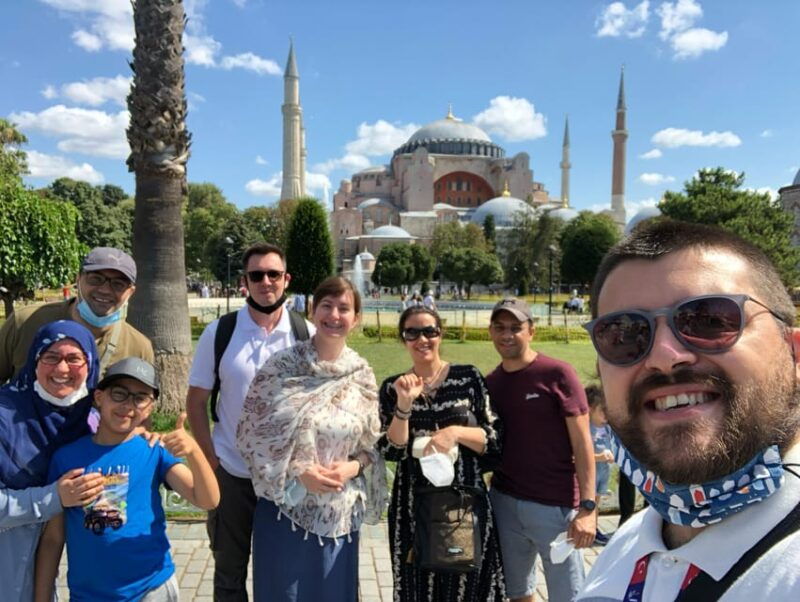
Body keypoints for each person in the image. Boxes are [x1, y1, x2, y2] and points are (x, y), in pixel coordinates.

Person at [578, 220, 800, 601]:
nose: (664, 357)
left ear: (793, 352)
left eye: (711, 320)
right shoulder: (628, 545)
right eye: (624, 334)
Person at [236, 276, 385, 601]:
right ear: (312, 310)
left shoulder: (361, 375)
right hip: (285, 512)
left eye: (344, 308)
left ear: (356, 318)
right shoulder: (282, 368)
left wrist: (352, 469)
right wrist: (297, 470)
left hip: (338, 519)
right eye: (327, 306)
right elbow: (250, 434)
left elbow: (370, 448)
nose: (334, 315)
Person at [186, 242, 314, 601]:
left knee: (286, 573)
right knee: (229, 574)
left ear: (286, 279)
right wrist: (210, 462)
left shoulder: (304, 334)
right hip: (233, 474)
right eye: (257, 275)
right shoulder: (221, 332)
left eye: (274, 274)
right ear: (245, 281)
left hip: (287, 477)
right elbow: (196, 402)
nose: (266, 282)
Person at [35, 357, 220, 601]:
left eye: (140, 397)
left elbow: (207, 500)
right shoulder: (66, 458)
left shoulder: (153, 449)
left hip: (151, 589)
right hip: (88, 595)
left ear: (150, 406)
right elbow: (53, 538)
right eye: (119, 394)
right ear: (99, 397)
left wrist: (194, 451)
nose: (127, 406)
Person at [377, 306, 505, 601]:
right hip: (413, 505)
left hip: (465, 502)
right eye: (412, 332)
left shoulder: (467, 377)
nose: (422, 339)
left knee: (469, 583)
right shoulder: (393, 387)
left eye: (429, 331)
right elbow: (392, 450)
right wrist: (404, 405)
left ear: (440, 334)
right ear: (403, 339)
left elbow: (494, 439)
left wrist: (455, 433)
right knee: (417, 586)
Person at [486, 298, 596, 602]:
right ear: (490, 332)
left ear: (531, 331)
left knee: (569, 595)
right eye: (500, 328)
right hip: (505, 503)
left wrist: (587, 508)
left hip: (555, 507)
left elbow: (583, 443)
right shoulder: (491, 384)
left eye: (516, 328)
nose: (507, 335)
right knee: (518, 593)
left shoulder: (558, 374)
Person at [0, 321, 105, 600]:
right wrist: (52, 498)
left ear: (90, 364)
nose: (61, 369)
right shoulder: (4, 415)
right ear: (35, 360)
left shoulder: (92, 419)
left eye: (73, 358)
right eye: (51, 357)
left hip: (49, 576)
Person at [0, 247, 153, 382]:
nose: (105, 290)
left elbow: (139, 408)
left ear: (131, 291)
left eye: (118, 284)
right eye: (95, 279)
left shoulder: (138, 348)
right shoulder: (25, 322)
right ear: (78, 279)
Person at [585, 384, 614, 546]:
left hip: (604, 471)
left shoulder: (607, 427)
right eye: (602, 410)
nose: (606, 414)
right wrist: (599, 456)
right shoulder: (586, 429)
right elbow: (579, 456)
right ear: (590, 409)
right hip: (591, 472)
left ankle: (594, 529)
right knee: (588, 502)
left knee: (597, 501)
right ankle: (587, 528)